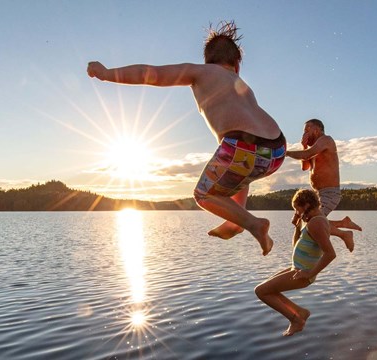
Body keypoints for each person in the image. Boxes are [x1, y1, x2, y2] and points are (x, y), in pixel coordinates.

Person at [87, 21, 285, 255]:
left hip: (244, 146)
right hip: (276, 150)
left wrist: (107, 74)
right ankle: (235, 221)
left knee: (203, 194)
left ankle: (253, 224)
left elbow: (152, 74)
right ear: (237, 65)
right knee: (242, 169)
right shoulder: (243, 85)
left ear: (207, 61)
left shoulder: (201, 72)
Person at [255, 189, 336, 336]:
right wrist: (297, 227)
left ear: (306, 205)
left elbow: (330, 254)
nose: (297, 213)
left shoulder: (316, 223)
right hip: (298, 268)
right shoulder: (313, 221)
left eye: (297, 209)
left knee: (261, 291)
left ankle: (296, 319)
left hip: (303, 273)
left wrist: (310, 273)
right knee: (267, 288)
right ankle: (300, 312)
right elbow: (295, 246)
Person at [285, 119, 362, 252]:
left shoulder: (326, 140)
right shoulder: (314, 148)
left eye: (307, 130)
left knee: (311, 221)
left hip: (330, 193)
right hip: (317, 194)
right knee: (298, 221)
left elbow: (307, 155)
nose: (305, 134)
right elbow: (305, 166)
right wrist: (304, 146)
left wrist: (285, 153)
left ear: (317, 130)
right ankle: (343, 224)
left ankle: (344, 234)